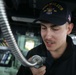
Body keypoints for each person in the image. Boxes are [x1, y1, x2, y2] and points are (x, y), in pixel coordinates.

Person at [17, 1, 76, 75]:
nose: (47, 36)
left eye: (55, 29)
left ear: (69, 29)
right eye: (43, 27)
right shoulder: (33, 54)